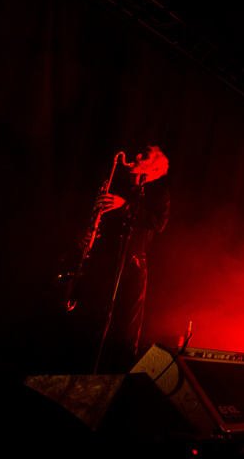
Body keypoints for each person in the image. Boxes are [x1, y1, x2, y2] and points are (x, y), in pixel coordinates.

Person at [68, 146, 170, 373]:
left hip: (133, 266)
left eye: (144, 157)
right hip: (103, 263)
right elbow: (96, 218)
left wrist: (125, 205)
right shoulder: (117, 185)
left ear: (154, 168)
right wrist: (84, 234)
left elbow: (158, 223)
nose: (136, 157)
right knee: (91, 323)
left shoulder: (158, 192)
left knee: (125, 331)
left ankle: (116, 381)